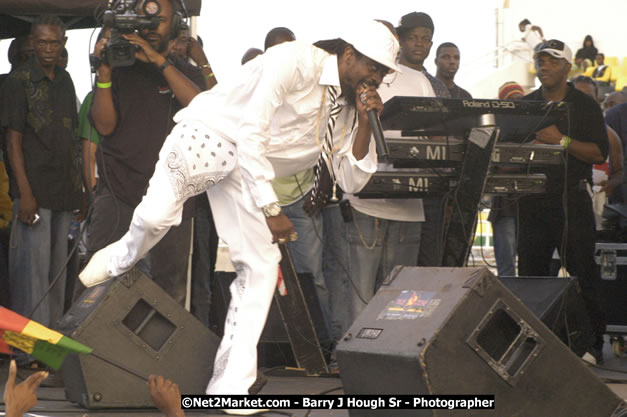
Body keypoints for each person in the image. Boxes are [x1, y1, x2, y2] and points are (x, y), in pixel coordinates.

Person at [80, 20, 398, 408]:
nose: (377, 78)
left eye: (383, 73)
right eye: (374, 67)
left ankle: (230, 388)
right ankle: (119, 256)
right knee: (155, 219)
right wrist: (270, 207)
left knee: (261, 269)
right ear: (349, 54)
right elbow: (251, 132)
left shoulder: (348, 109)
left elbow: (350, 179)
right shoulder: (295, 60)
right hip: (212, 134)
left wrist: (365, 120)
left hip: (249, 167)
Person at [85, 0, 206, 305]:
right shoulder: (120, 69)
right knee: (97, 289)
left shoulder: (188, 74)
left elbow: (203, 109)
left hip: (174, 201)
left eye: (159, 21)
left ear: (177, 24)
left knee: (170, 296)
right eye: (144, 21)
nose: (151, 28)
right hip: (119, 194)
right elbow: (104, 126)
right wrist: (104, 73)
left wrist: (157, 61)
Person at [336, 20, 436, 334]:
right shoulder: (354, 81)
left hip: (409, 205)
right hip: (365, 204)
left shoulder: (417, 80)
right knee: (361, 294)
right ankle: (357, 361)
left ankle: (393, 358)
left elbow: (433, 134)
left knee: (403, 298)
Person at [518, 39, 609, 364]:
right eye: (541, 61)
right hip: (531, 199)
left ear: (567, 67)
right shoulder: (527, 104)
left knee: (583, 273)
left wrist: (562, 141)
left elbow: (599, 152)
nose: (544, 66)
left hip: (572, 199)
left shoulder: (584, 105)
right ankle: (531, 345)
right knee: (529, 276)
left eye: (552, 61)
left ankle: (592, 344)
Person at [0, 15, 83, 329]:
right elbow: (13, 142)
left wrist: (81, 192)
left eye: (54, 42)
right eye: (42, 42)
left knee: (56, 278)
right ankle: (28, 355)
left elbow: (71, 140)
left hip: (64, 192)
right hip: (33, 193)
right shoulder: (17, 82)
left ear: (62, 43)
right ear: (32, 44)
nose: (48, 48)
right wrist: (25, 194)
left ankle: (50, 352)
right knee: (30, 280)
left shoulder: (66, 80)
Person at [488, 81, 525, 277]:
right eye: (511, 100)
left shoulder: (530, 128)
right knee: (506, 267)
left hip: (527, 204)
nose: (516, 104)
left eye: (520, 100)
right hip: (504, 205)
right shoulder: (495, 128)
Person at [573, 76, 624, 209]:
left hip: (596, 209)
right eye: (577, 95)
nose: (583, 101)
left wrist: (611, 184)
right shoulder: (555, 133)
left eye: (588, 97)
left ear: (596, 100)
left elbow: (619, 172)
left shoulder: (610, 136)